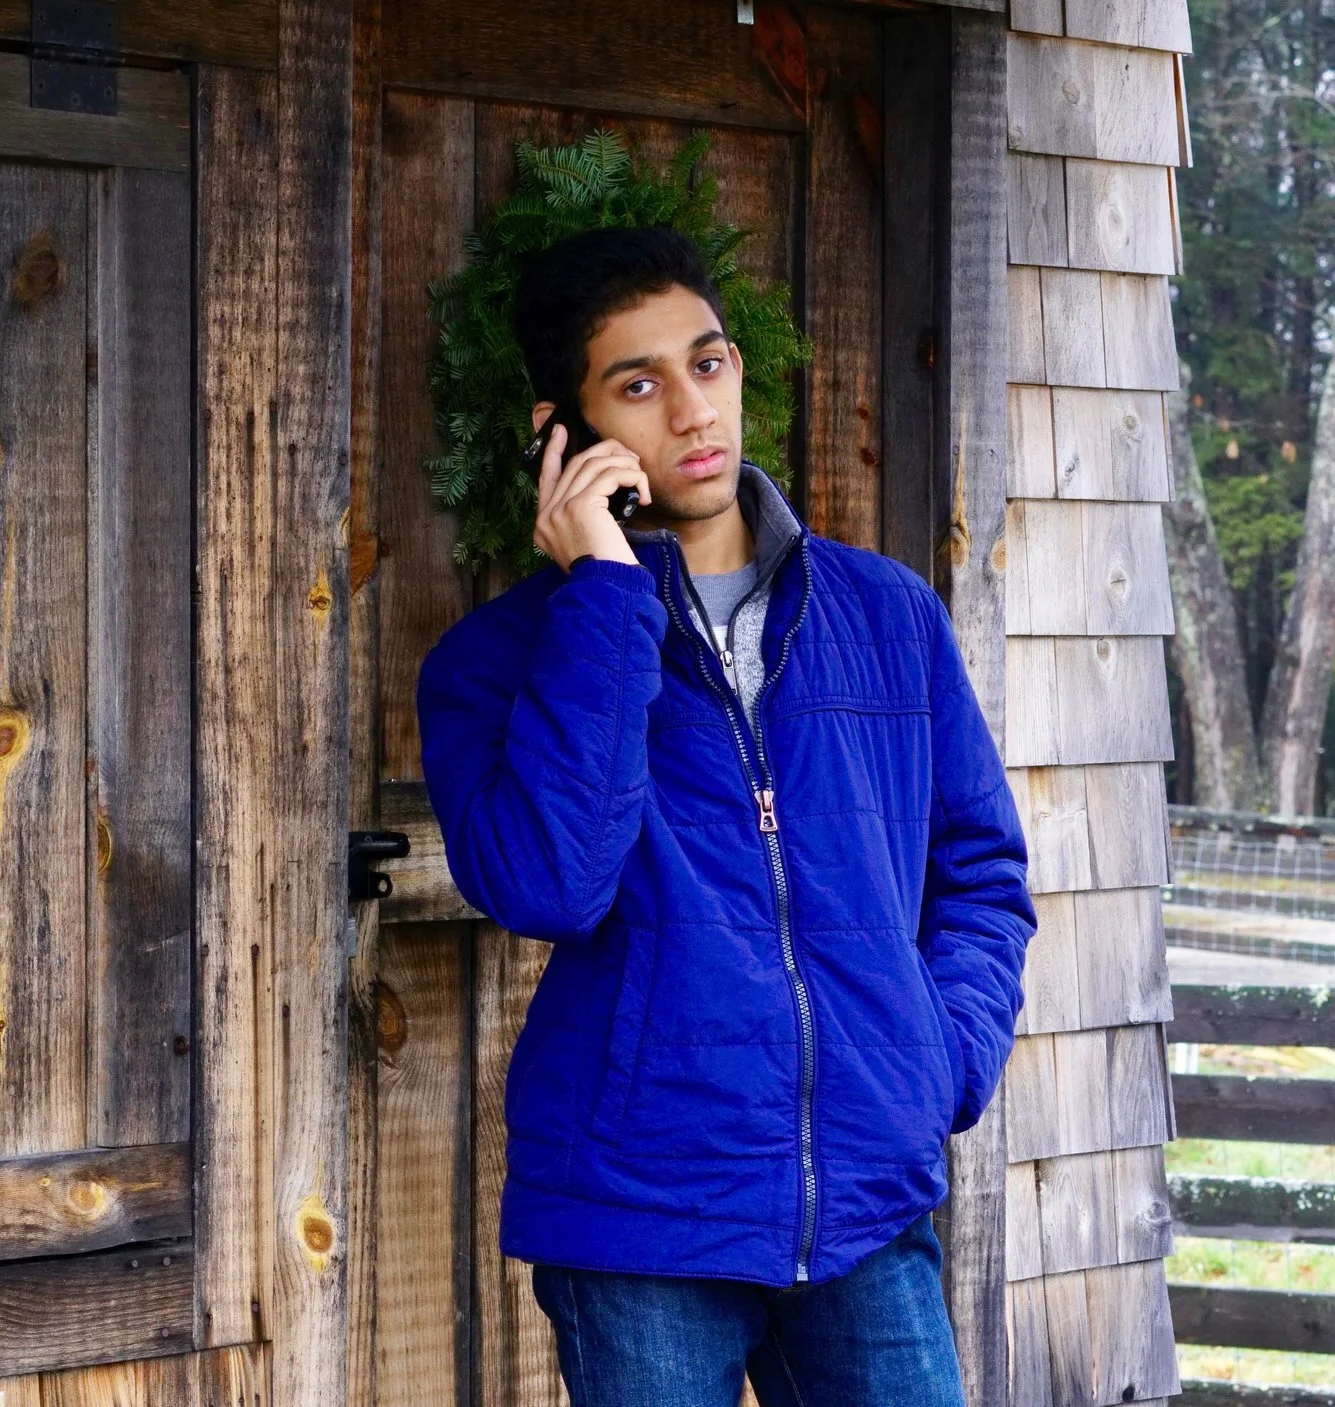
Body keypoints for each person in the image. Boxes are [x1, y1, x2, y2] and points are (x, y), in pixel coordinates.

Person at [416, 225, 1035, 1407]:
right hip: (642, 1218)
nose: (691, 412)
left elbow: (980, 872)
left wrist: (937, 1060)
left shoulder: (889, 615)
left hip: (865, 1198)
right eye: (636, 385)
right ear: (564, 431)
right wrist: (602, 595)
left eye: (707, 365)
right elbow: (549, 883)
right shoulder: (495, 663)